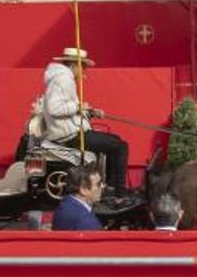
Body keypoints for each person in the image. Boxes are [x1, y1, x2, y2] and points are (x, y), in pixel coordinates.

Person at [40, 48, 130, 197]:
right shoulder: (63, 79)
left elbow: (68, 110)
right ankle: (119, 194)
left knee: (116, 142)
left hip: (72, 131)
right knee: (121, 147)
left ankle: (109, 187)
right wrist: (78, 107)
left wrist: (89, 111)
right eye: (83, 67)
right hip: (69, 135)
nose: (84, 71)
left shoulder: (63, 78)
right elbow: (54, 108)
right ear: (75, 65)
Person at [52, 163, 104, 231]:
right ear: (83, 190)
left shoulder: (65, 204)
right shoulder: (87, 222)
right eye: (98, 184)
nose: (103, 186)